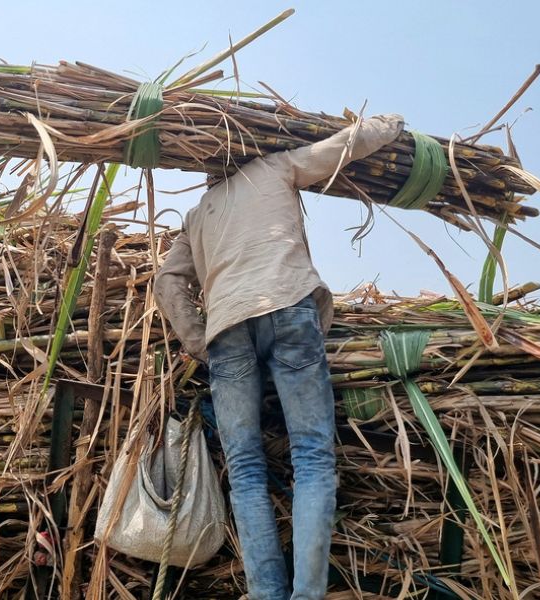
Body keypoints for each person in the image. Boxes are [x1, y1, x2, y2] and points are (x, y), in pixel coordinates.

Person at [153, 114, 405, 600]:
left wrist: (196, 340)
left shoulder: (199, 214)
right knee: (312, 457)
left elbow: (167, 282)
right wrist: (388, 126)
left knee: (245, 468)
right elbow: (343, 146)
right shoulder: (274, 168)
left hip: (227, 329)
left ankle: (267, 594)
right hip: (289, 309)